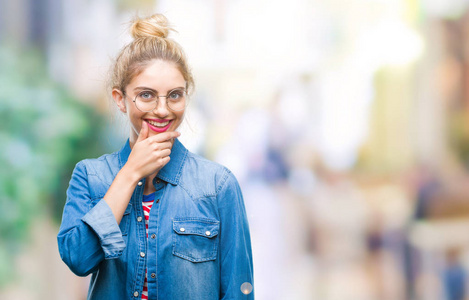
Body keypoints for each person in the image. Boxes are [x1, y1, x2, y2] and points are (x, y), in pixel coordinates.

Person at [57, 14, 254, 300]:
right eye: (146, 95)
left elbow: (239, 292)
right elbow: (77, 258)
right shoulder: (91, 176)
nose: (162, 110)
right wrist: (129, 174)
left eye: (174, 95)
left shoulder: (218, 185)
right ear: (120, 99)